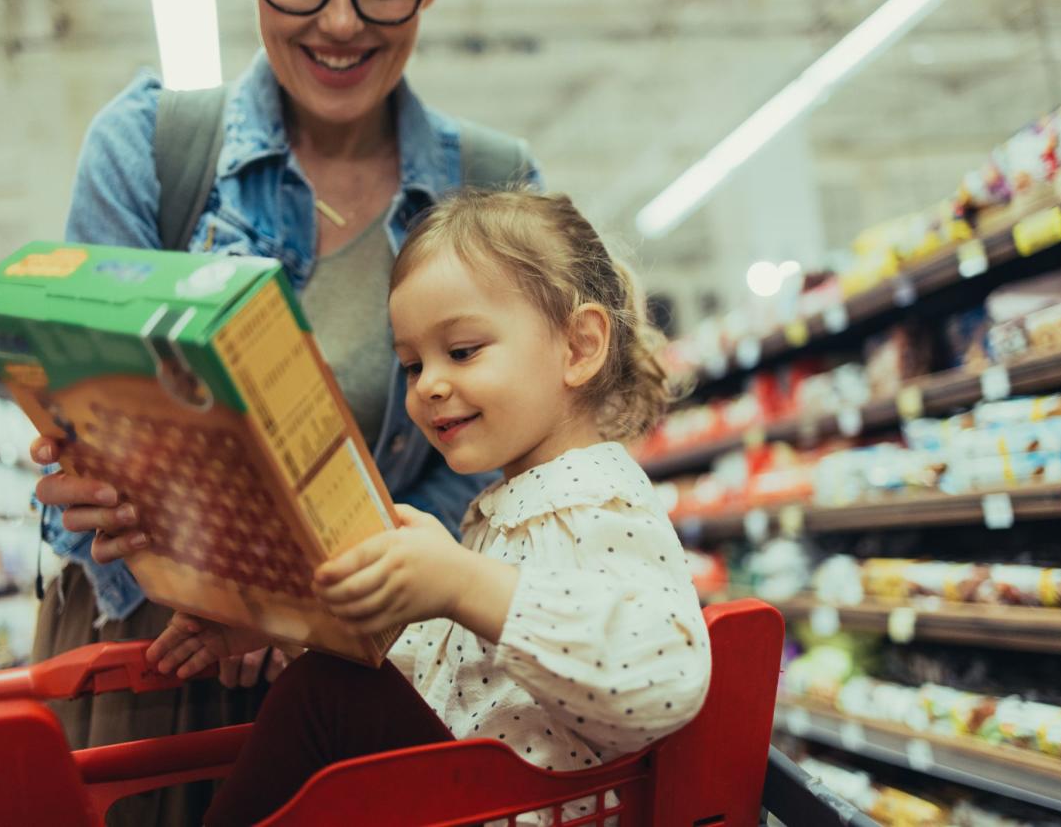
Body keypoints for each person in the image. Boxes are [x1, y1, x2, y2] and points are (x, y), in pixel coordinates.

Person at [29, 0, 541, 823]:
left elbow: (503, 473)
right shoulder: (152, 148)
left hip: (362, 665)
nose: (339, 23)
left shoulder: (491, 187)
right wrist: (87, 473)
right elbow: (94, 406)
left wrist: (318, 598)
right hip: (153, 654)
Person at [121, 190, 714, 826]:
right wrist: (279, 623)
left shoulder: (598, 500)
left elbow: (666, 673)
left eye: (462, 351)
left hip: (526, 812)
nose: (429, 384)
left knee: (328, 696)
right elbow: (439, 681)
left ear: (578, 348)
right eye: (410, 364)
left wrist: (462, 583)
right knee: (329, 682)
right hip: (475, 802)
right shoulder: (513, 508)